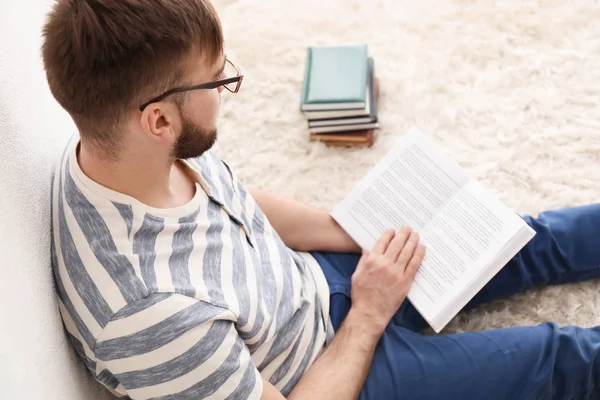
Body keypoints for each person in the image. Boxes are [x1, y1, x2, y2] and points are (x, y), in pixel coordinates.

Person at [43, 1, 600, 399]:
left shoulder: (125, 151)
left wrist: (353, 230)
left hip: (319, 285)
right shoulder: (147, 318)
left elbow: (236, 205)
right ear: (159, 119)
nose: (228, 89)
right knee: (560, 356)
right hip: (332, 373)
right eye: (217, 84)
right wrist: (368, 314)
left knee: (517, 236)